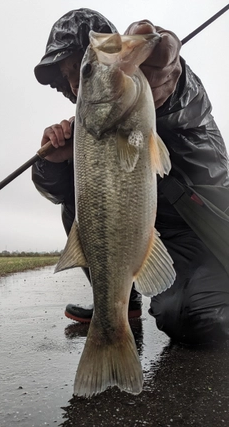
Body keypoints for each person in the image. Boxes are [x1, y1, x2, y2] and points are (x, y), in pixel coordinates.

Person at [32, 8, 229, 345]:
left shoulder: (172, 94)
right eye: (65, 78)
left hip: (200, 230)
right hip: (146, 231)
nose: (74, 85)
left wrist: (169, 72)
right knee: (76, 202)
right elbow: (57, 192)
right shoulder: (90, 124)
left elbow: (175, 91)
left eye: (81, 67)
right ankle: (118, 301)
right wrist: (53, 162)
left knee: (194, 318)